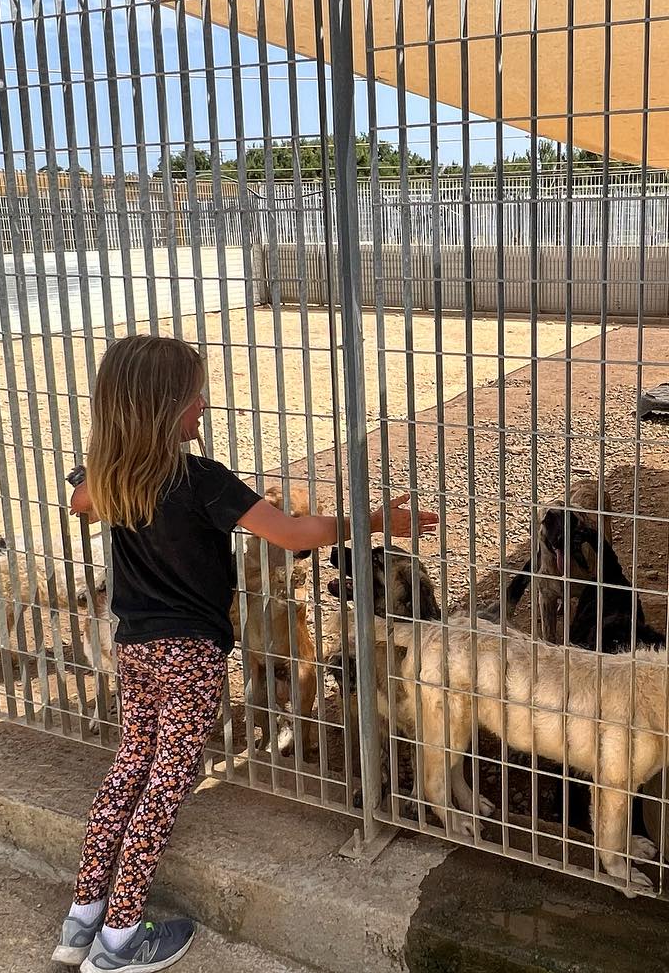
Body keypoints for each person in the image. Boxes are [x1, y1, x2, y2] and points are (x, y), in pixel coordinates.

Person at [54, 334, 435, 973]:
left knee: (128, 773)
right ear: (163, 407)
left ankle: (81, 919)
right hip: (189, 656)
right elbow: (291, 532)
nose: (203, 402)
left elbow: (79, 500)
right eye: (192, 395)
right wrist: (371, 522)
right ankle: (119, 942)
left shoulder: (111, 478)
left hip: (136, 650)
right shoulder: (198, 479)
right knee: (165, 787)